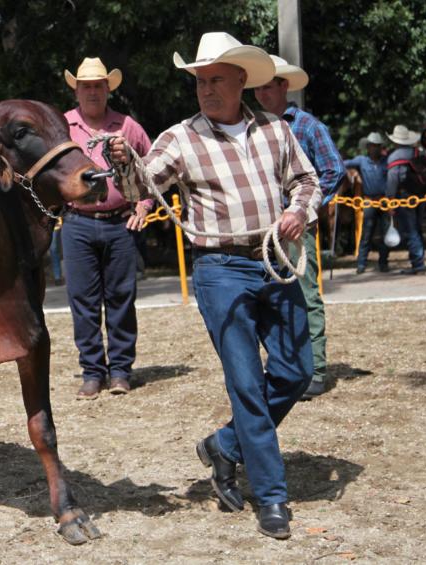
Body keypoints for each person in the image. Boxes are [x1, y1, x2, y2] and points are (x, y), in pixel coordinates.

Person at [111, 32, 321, 539]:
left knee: (297, 370)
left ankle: (225, 445)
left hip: (273, 259)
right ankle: (271, 496)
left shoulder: (275, 129)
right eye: (200, 81)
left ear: (241, 81)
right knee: (246, 384)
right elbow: (140, 186)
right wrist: (123, 161)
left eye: (216, 80)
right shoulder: (180, 138)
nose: (206, 89)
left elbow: (307, 181)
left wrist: (298, 211)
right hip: (220, 269)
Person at [253, 55, 346, 400]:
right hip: (264, 227)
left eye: (268, 87)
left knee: (305, 295)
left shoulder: (307, 126)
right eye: (258, 88)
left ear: (284, 87)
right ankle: (288, 367)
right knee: (270, 297)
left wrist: (304, 209)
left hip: (295, 227)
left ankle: (315, 369)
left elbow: (333, 170)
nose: (262, 94)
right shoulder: (255, 127)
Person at [61, 56, 153, 399]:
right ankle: (92, 372)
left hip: (120, 222)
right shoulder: (62, 126)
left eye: (98, 86)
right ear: (76, 90)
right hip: (77, 222)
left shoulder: (128, 126)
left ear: (107, 89)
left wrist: (144, 205)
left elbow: (154, 168)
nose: (92, 92)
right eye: (86, 86)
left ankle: (120, 372)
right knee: (82, 301)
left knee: (121, 299)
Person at [343, 132, 390, 274]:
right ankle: (361, 264)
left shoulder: (387, 161)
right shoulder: (361, 160)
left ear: (381, 147)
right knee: (366, 233)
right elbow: (342, 164)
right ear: (368, 147)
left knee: (385, 233)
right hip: (369, 201)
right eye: (372, 146)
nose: (375, 148)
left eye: (377, 146)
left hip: (384, 201)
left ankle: (383, 263)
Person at [386, 125, 425, 275]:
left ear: (395, 141)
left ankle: (418, 264)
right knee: (418, 228)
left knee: (411, 230)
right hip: (420, 196)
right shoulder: (417, 152)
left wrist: (390, 200)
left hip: (404, 198)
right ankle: (419, 260)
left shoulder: (394, 157)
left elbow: (392, 181)